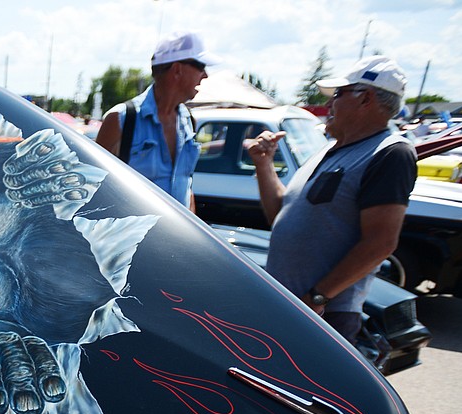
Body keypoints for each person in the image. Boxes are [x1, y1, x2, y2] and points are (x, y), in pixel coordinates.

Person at [244, 55, 417, 345]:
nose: (329, 105)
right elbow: (281, 216)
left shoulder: (391, 153)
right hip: (293, 304)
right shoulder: (328, 151)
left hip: (324, 313)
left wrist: (317, 296)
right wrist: (264, 164)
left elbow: (381, 242)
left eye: (338, 94)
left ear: (366, 99)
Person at [95, 30, 219, 210]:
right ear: (177, 70)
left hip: (177, 237)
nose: (205, 75)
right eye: (201, 66)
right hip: (134, 237)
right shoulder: (121, 120)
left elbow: (185, 184)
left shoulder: (189, 121)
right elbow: (96, 190)